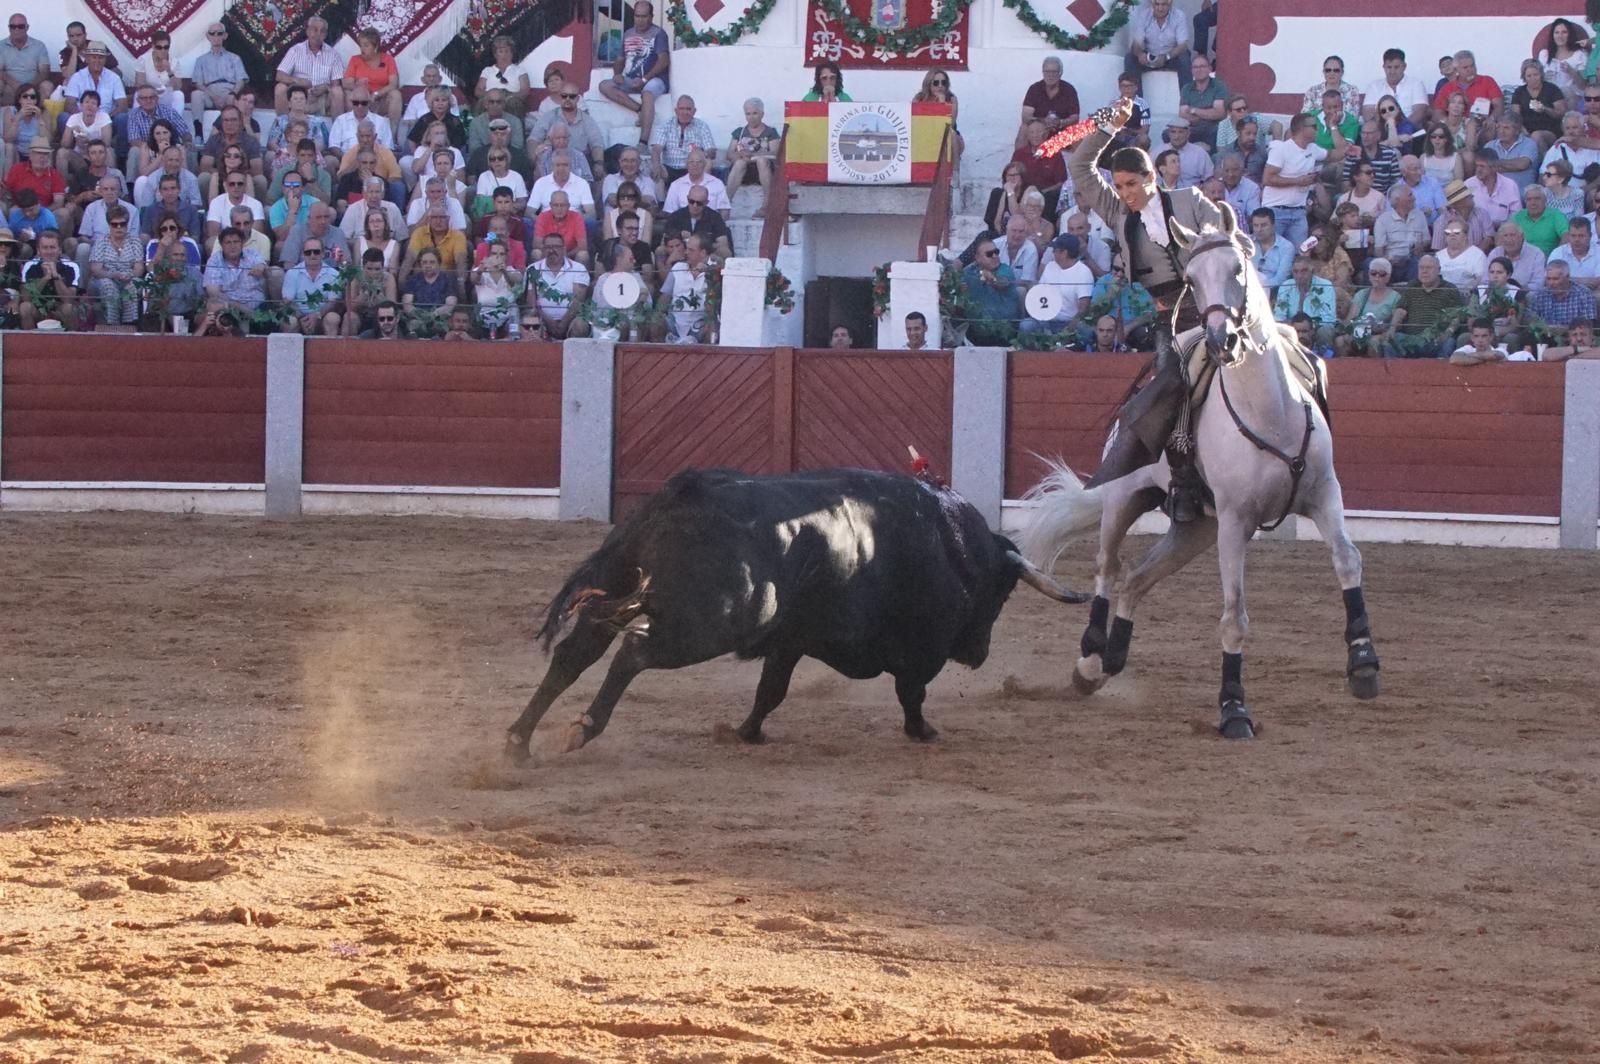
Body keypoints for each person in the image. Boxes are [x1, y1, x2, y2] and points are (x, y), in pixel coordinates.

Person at [1068, 95, 1240, 518]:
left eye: (1132, 184)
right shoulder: (1115, 212)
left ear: (1153, 177)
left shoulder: (1190, 201)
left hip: (1213, 308)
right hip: (1170, 316)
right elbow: (1079, 167)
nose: (1125, 193)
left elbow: (1219, 246)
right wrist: (1109, 124)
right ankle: (1181, 480)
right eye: (1120, 185)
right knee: (1169, 388)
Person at [599, 1, 670, 136]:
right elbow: (620, 60)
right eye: (637, 16)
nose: (640, 20)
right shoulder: (628, 33)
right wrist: (617, 74)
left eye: (644, 16)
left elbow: (664, 61)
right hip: (632, 79)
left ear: (651, 16)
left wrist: (644, 79)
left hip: (654, 79)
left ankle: (643, 142)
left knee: (647, 94)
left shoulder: (659, 34)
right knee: (604, 86)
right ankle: (641, 110)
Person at [1262, 113, 1325, 250]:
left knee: (1300, 254)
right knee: (1272, 254)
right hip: (1276, 211)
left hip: (1298, 212)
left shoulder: (1312, 148)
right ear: (1302, 129)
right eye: (1314, 126)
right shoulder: (1281, 149)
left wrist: (1348, 150)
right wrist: (1297, 181)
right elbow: (1267, 179)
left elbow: (1331, 154)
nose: (1317, 129)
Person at [1391, 254, 1465, 358]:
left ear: (1438, 270)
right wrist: (1392, 329)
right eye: (1421, 268)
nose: (1424, 271)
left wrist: (1448, 333)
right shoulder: (1412, 286)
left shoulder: (1450, 289)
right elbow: (1400, 310)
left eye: (1429, 268)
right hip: (1413, 339)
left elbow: (1457, 316)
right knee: (1393, 339)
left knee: (1449, 343)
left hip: (1437, 339)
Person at [1021, 233, 1093, 335]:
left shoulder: (1083, 272)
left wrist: (1069, 329)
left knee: (1085, 331)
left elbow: (1083, 308)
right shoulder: (1050, 266)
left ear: (1064, 253)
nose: (1053, 252)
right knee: (1026, 325)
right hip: (1046, 319)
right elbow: (1040, 293)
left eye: (1055, 250)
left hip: (1068, 321)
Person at [959, 237, 1022, 347]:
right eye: (989, 254)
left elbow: (1002, 284)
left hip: (1003, 332)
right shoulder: (968, 272)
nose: (994, 256)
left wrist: (992, 279)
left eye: (996, 252)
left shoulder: (1005, 269)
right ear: (977, 258)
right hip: (976, 332)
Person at [529, 230, 591, 339]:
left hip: (570, 320)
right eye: (548, 247)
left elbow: (578, 301)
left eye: (556, 247)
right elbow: (531, 303)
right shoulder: (532, 269)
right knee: (530, 320)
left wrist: (563, 324)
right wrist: (547, 321)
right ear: (543, 250)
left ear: (564, 249)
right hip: (542, 319)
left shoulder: (578, 269)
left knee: (581, 325)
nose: (552, 250)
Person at [275, 17, 344, 116]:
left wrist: (325, 87)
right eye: (315, 30)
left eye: (322, 31)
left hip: (321, 99)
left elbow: (336, 84)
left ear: (325, 35)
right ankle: (283, 126)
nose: (318, 34)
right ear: (307, 31)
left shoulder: (333, 54)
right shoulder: (295, 50)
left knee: (337, 91)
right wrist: (299, 81)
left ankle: (338, 130)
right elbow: (280, 75)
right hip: (299, 95)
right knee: (280, 87)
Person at [1336, 256, 1400, 357]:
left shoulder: (1396, 297)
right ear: (1369, 275)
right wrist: (1350, 330)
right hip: (1360, 331)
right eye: (1373, 273)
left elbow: (1393, 325)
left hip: (1380, 333)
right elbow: (1351, 318)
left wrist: (1377, 329)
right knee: (1340, 340)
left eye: (1382, 274)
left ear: (1388, 277)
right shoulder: (1361, 294)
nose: (1377, 277)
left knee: (1373, 342)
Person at [650, 95, 716, 191]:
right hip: (669, 169)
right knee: (656, 168)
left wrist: (703, 153)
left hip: (693, 168)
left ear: (694, 111)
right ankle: (661, 203)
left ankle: (699, 196)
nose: (685, 112)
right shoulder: (665, 125)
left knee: (708, 162)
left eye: (688, 109)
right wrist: (655, 164)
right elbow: (656, 149)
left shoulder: (702, 126)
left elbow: (711, 150)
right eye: (681, 109)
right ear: (676, 111)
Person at [19, 228, 81, 328]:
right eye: (45, 248)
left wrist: (56, 276)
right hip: (38, 310)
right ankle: (29, 342)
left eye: (52, 247)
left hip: (59, 309)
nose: (49, 252)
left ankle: (71, 342)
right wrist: (45, 278)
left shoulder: (71, 266)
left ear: (59, 250)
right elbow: (26, 297)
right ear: (38, 251)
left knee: (69, 308)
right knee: (25, 307)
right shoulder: (30, 265)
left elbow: (69, 300)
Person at [281, 236, 344, 335]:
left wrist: (316, 316)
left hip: (322, 317)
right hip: (299, 317)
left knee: (333, 318)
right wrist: (302, 317)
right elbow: (287, 301)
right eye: (308, 252)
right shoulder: (292, 273)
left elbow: (333, 303)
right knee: (289, 320)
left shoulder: (334, 274)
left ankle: (331, 350)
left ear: (323, 254)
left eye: (316, 252)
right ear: (303, 254)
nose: (312, 255)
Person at [1273, 255, 1338, 349]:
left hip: (1316, 327)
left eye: (1304, 271)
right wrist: (1295, 328)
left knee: (1326, 330)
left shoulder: (1325, 285)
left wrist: (1307, 328)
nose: (1299, 276)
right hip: (1292, 327)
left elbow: (1328, 319)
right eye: (1296, 272)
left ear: (1312, 271)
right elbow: (1279, 317)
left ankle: (1326, 359)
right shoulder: (1286, 286)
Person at [343, 29, 402, 131]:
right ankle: (353, 132)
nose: (362, 49)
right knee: (349, 94)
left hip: (380, 100)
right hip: (361, 101)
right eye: (361, 45)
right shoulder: (355, 60)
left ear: (375, 46)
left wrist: (376, 94)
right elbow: (346, 83)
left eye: (366, 45)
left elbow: (393, 84)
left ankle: (392, 136)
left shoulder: (388, 59)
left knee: (396, 94)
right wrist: (358, 85)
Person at [201, 226, 266, 318]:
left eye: (236, 242)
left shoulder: (253, 254)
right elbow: (214, 293)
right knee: (214, 305)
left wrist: (261, 267)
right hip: (230, 309)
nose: (233, 246)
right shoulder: (214, 261)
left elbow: (262, 265)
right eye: (228, 242)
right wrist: (239, 307)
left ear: (242, 243)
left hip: (258, 306)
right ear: (221, 244)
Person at [1017, 56, 1079, 150]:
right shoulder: (1034, 89)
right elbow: (1025, 117)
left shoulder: (1069, 90)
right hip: (1040, 129)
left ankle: (1079, 164)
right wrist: (1043, 121)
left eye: (1054, 72)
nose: (1050, 75)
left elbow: (1075, 118)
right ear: (1043, 72)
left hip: (1061, 129)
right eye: (1047, 71)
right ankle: (1017, 163)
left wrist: (1060, 122)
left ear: (1060, 73)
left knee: (1079, 133)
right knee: (1024, 128)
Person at [1373, 183, 1430, 284]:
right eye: (1410, 195)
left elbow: (1427, 240)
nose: (1414, 198)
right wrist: (1386, 261)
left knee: (1419, 262)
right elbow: (1379, 249)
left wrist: (1421, 245)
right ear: (1397, 200)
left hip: (1412, 259)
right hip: (1391, 262)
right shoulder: (1383, 220)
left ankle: (1414, 295)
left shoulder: (1419, 215)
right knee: (1372, 265)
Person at [1126, 0, 1193, 85]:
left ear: (1170, 4)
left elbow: (1183, 45)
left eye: (1164, 4)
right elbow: (1136, 44)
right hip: (1149, 58)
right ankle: (1134, 97)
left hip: (1170, 57)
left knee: (1184, 57)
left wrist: (1166, 57)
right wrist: (1140, 54)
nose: (1160, 8)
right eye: (1157, 4)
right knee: (1130, 58)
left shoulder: (1179, 15)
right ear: (1152, 4)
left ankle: (1187, 96)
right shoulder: (1144, 16)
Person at [658, 185, 732, 260]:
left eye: (699, 203)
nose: (695, 205)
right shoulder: (676, 216)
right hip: (680, 251)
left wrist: (701, 244)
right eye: (691, 201)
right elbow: (664, 242)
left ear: (706, 202)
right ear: (687, 199)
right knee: (659, 251)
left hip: (705, 254)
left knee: (725, 251)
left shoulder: (715, 217)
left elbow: (723, 244)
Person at [1362, 48, 1431, 128]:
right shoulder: (1374, 86)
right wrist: (1384, 130)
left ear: (1404, 66)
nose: (1392, 72)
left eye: (1396, 67)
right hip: (1382, 131)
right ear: (1384, 67)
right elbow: (1367, 113)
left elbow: (1420, 112)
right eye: (1389, 67)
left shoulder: (1416, 84)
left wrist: (1402, 129)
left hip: (1409, 131)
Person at [190, 23, 248, 117]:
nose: (216, 36)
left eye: (219, 33)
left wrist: (232, 94)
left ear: (225, 36)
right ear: (208, 36)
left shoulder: (234, 58)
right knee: (196, 95)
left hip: (229, 93)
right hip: (209, 94)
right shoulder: (201, 60)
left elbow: (241, 80)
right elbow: (198, 84)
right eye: (212, 33)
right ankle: (198, 130)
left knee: (241, 101)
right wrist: (214, 96)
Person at [1513, 59, 1566, 154]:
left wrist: (1545, 109)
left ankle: (1543, 165)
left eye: (1536, 75)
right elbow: (1515, 116)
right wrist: (1523, 131)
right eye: (1529, 76)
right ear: (1524, 77)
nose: (1533, 78)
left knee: (1536, 136)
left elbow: (1561, 113)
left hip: (1550, 130)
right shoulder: (1519, 92)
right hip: (1525, 130)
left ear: (1541, 75)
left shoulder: (1552, 89)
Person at [1178, 54, 1227, 149]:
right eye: (1195, 67)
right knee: (1168, 134)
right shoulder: (1186, 88)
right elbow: (1182, 115)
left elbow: (1219, 113)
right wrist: (1208, 113)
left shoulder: (1219, 85)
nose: (1198, 70)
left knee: (1218, 132)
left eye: (1202, 66)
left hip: (1212, 128)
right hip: (1192, 128)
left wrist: (1194, 110)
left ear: (1209, 69)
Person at [0, 15, 49, 110]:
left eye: (20, 26)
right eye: (13, 26)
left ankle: (37, 116)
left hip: (33, 85)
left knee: (47, 85)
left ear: (27, 27)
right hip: (10, 85)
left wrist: (29, 86)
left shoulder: (39, 45)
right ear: (9, 28)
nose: (16, 29)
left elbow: (44, 72)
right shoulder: (1, 46)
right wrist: (15, 84)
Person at [475, 35, 530, 117]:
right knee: (483, 102)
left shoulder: (520, 70)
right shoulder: (487, 70)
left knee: (514, 103)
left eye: (507, 51)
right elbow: (478, 90)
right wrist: (491, 97)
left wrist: (508, 98)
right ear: (495, 55)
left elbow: (525, 91)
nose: (504, 55)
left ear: (512, 54)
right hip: (491, 97)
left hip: (511, 98)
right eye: (501, 51)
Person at [1538, 18, 1590, 98]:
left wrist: (1571, 71)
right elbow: (1535, 81)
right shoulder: (1544, 54)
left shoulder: (1580, 55)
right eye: (1557, 33)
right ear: (1553, 35)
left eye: (1564, 32)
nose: (1560, 36)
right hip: (1549, 96)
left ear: (1570, 34)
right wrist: (1543, 78)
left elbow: (1583, 86)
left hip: (1571, 98)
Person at [400, 245, 456, 317]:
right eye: (424, 262)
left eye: (432, 262)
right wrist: (420, 315)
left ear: (439, 263)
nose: (428, 265)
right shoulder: (413, 280)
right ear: (420, 264)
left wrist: (434, 314)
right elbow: (407, 305)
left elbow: (450, 305)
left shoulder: (448, 279)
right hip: (418, 319)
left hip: (440, 318)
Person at [1548, 215, 1600, 291]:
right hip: (1563, 295)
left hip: (1593, 296)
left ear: (1590, 236)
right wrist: (1587, 281)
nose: (1577, 240)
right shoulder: (1558, 253)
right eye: (1573, 236)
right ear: (1568, 235)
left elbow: (1598, 282)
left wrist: (1566, 279)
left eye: (1581, 236)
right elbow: (1550, 280)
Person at [1247, 207, 1292, 289]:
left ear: (1273, 225)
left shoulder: (1286, 247)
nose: (1259, 230)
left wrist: (1256, 288)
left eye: (1263, 225)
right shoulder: (1247, 242)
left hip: (1273, 293)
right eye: (1256, 225)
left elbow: (1280, 280)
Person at [997, 213, 1040, 285]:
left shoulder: (1031, 249)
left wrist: (1006, 285)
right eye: (1014, 230)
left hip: (1018, 288)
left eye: (1021, 231)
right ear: (1007, 230)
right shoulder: (996, 244)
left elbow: (1027, 281)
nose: (1017, 235)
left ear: (1026, 233)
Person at [1448, 319, 1512, 365]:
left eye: (1484, 336)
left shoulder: (1500, 349)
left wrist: (1467, 357)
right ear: (1472, 338)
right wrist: (1485, 359)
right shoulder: (1468, 348)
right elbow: (1453, 359)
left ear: (1491, 337)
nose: (1480, 340)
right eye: (1476, 336)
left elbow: (1495, 355)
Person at [1421, 122, 1466, 186]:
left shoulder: (1456, 158)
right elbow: (1421, 183)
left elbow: (1459, 183)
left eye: (1441, 136)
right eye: (1433, 136)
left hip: (1450, 194)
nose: (1437, 139)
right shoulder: (1423, 158)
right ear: (1430, 139)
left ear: (1446, 139)